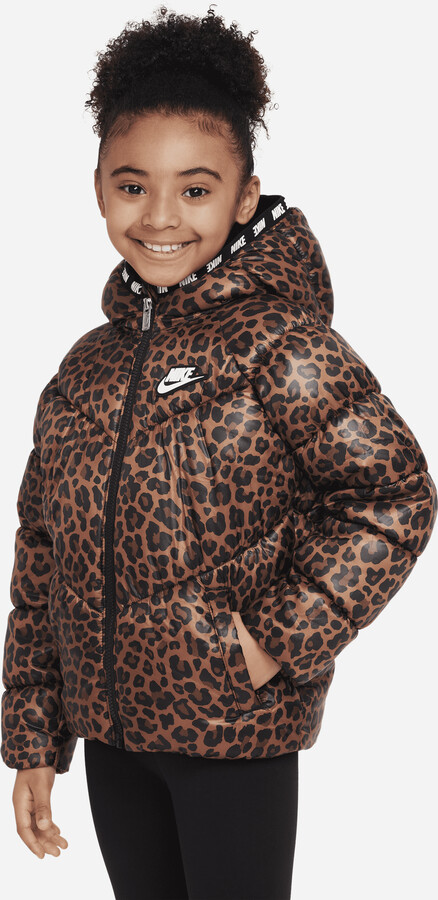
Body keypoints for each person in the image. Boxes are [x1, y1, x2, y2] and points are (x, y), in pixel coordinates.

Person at [1, 5, 436, 899]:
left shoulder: (281, 344)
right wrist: (34, 740)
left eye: (195, 190)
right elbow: (42, 556)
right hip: (112, 739)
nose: (161, 216)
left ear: (244, 197)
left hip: (234, 735)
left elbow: (394, 495)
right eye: (133, 185)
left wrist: (274, 639)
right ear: (97, 188)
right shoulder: (85, 368)